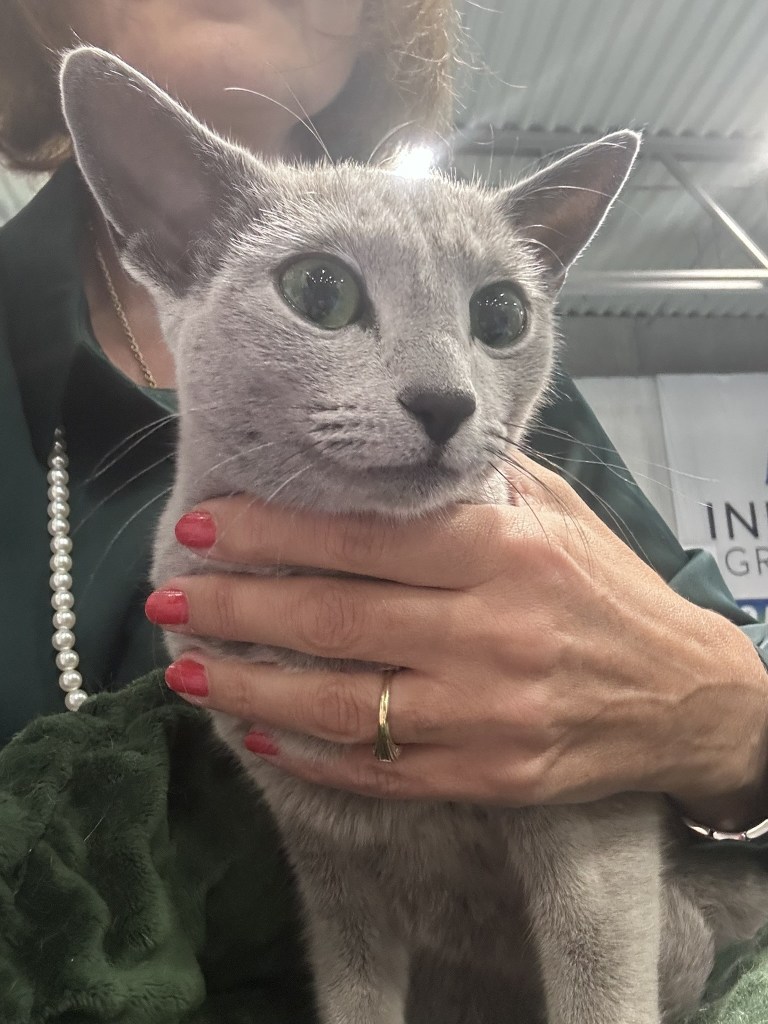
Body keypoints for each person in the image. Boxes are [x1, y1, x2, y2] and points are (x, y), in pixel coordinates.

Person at [1, 1, 767, 1021]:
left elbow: (716, 681)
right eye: (322, 292)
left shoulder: (507, 429)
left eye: (496, 316)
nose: (444, 385)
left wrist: (733, 726)